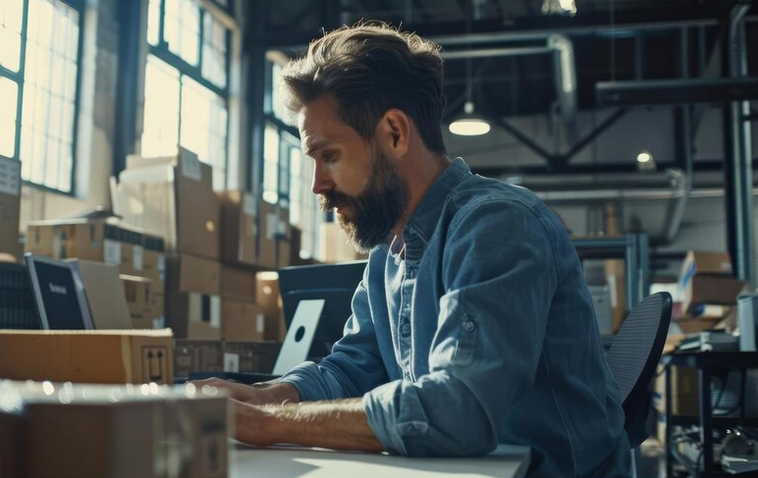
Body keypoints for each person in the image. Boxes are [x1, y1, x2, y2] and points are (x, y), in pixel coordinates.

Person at [196, 22, 631, 477]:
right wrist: (268, 396)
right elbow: (353, 367)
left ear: (395, 134)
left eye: (330, 156)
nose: (317, 185)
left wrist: (269, 424)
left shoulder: (498, 226)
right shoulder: (388, 252)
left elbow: (458, 410)